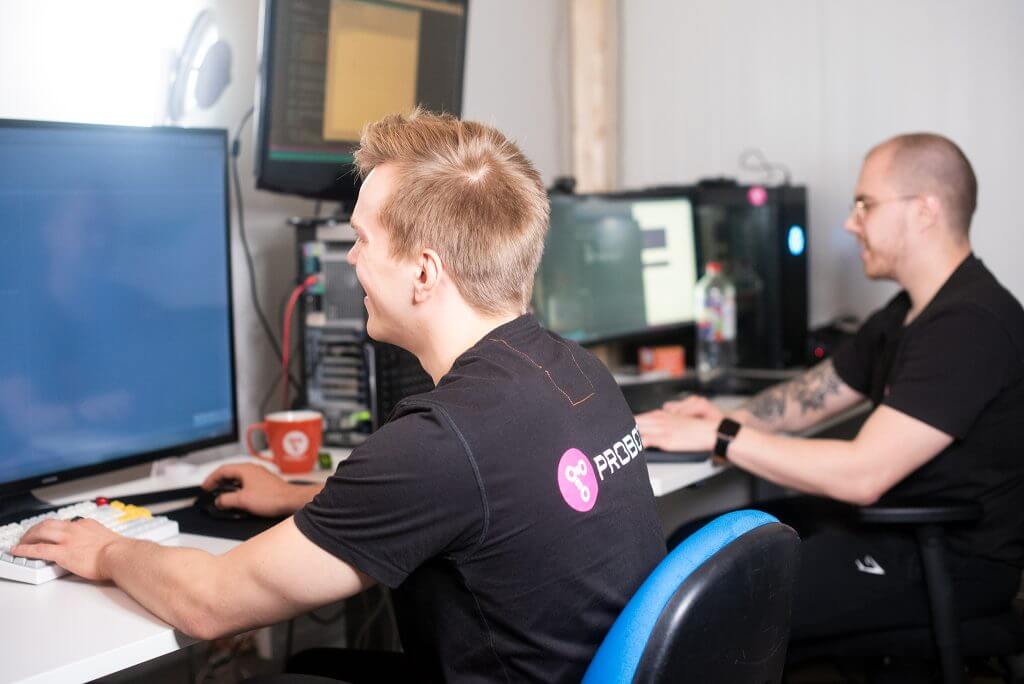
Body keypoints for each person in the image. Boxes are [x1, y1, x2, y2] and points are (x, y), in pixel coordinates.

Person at [15, 110, 666, 683]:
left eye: (361, 240)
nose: (350, 261)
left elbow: (209, 603)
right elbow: (486, 499)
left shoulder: (442, 442)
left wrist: (106, 549)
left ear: (423, 272)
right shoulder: (577, 373)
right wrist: (297, 497)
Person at [637, 132, 1024, 647]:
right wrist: (717, 416)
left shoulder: (970, 324)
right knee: (690, 546)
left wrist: (722, 436)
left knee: (710, 605)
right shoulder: (907, 314)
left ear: (925, 210)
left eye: (865, 204)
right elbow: (807, 399)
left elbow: (863, 474)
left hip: (949, 556)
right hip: (887, 525)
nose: (849, 222)